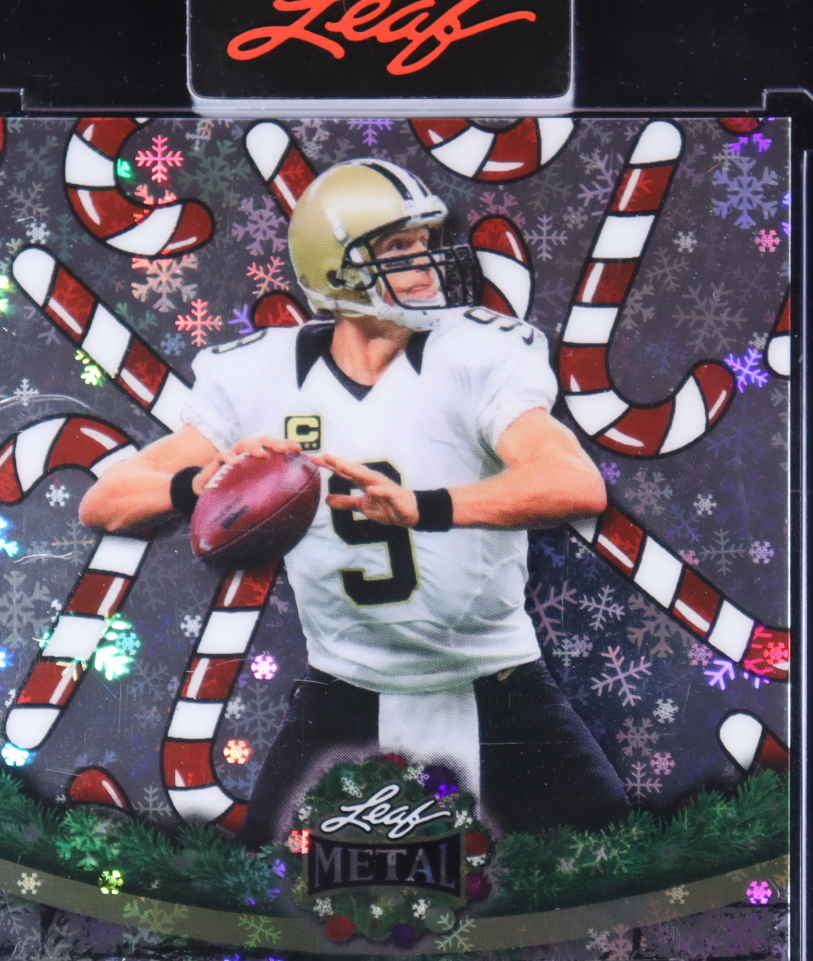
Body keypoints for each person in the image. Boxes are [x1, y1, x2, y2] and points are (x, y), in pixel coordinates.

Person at [80, 157, 630, 843]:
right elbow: (105, 500)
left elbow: (574, 483)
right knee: (267, 887)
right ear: (336, 270)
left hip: (499, 681)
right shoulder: (260, 374)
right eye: (398, 248)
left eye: (425, 243)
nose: (426, 264)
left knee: (621, 868)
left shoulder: (476, 353)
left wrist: (426, 507)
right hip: (344, 689)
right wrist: (202, 480)